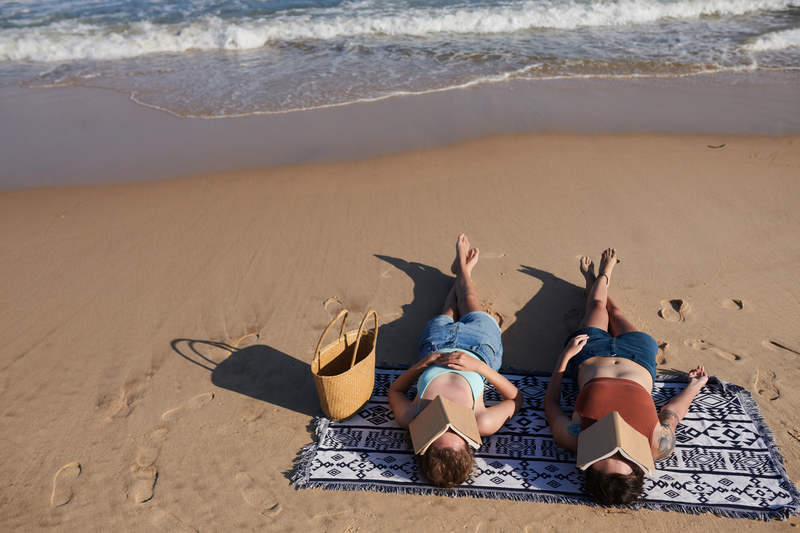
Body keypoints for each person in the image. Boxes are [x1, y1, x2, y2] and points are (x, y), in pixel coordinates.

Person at [544, 248, 708, 505]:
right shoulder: (657, 446)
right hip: (639, 356)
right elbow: (670, 414)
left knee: (598, 306)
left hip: (590, 353)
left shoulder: (575, 438)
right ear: (639, 468)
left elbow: (551, 404)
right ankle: (596, 282)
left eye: (606, 455)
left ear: (589, 466)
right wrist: (695, 387)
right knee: (617, 313)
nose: (616, 447)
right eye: (625, 457)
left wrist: (565, 357)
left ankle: (602, 277)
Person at [389, 234, 523, 488]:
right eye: (457, 432)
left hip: (436, 344)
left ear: (426, 441)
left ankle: (462, 271)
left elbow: (395, 389)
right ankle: (463, 268)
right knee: (468, 299)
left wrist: (424, 363)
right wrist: (479, 367)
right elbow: (516, 399)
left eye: (439, 430)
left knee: (449, 306)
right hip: (481, 347)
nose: (448, 423)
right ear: (468, 443)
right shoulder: (481, 422)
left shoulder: (411, 418)